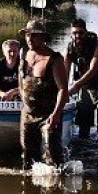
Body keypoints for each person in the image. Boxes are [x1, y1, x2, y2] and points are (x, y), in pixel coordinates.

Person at [19, 19, 69, 168]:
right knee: (28, 158)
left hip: (48, 116)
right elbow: (20, 81)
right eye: (27, 35)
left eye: (34, 35)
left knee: (53, 159)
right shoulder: (24, 55)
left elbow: (63, 89)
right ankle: (30, 188)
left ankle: (57, 187)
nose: (29, 38)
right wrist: (24, 100)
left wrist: (56, 114)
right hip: (27, 115)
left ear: (43, 37)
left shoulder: (54, 59)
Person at [65, 18, 98, 141]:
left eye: (81, 32)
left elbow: (93, 69)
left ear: (86, 32)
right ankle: (84, 155)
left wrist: (75, 86)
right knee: (83, 128)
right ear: (71, 34)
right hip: (85, 87)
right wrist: (62, 91)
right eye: (74, 33)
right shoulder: (70, 48)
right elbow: (64, 72)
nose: (78, 36)